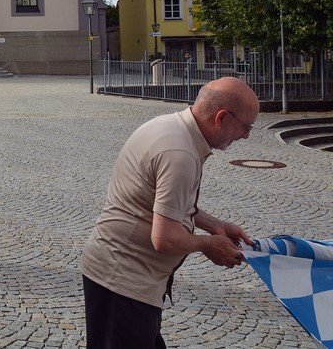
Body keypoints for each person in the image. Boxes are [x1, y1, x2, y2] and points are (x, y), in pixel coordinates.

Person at [79, 77, 258, 348]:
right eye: (246, 127)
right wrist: (210, 245)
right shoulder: (179, 152)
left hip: (124, 279)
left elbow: (161, 201)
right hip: (123, 282)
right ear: (221, 118)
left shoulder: (170, 127)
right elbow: (164, 238)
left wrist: (215, 225)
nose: (246, 135)